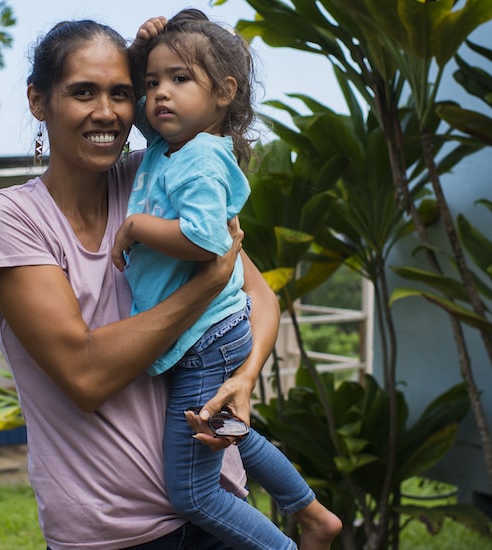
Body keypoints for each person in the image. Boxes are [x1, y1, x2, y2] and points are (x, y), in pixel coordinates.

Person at [0, 18, 280, 549]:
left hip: (215, 505)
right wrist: (203, 288)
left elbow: (260, 297)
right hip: (113, 532)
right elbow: (85, 377)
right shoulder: (10, 218)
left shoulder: (154, 178)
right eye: (82, 92)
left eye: (121, 93)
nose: (106, 112)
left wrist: (246, 376)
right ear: (38, 101)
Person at [110, 11, 340, 550]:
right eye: (151, 83)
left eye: (180, 79)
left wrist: (137, 226)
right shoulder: (176, 149)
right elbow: (143, 123)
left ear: (224, 94)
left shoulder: (200, 162)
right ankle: (312, 513)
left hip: (205, 340)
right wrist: (143, 50)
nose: (160, 94)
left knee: (193, 493)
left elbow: (209, 242)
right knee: (226, 433)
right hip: (211, 333)